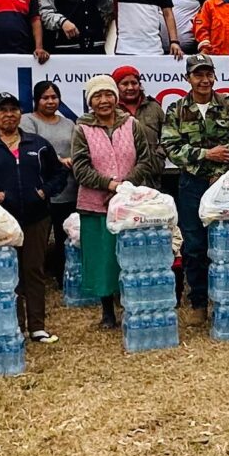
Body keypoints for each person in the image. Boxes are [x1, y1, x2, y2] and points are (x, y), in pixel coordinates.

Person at [0, 91, 71, 343]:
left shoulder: (38, 144)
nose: (8, 115)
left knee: (33, 270)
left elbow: (59, 175)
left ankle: (37, 326)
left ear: (20, 114)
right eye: (2, 110)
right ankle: (15, 326)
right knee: (8, 275)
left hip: (36, 217)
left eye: (13, 110)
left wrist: (44, 192)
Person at [70, 74, 166, 329]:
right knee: (102, 258)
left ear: (116, 97)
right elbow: (80, 167)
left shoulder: (131, 124)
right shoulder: (82, 128)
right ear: (90, 101)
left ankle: (131, 305)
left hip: (130, 204)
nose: (104, 101)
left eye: (108, 95)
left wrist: (124, 187)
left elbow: (146, 160)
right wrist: (109, 185)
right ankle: (107, 311)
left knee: (130, 255)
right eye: (98, 96)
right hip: (96, 204)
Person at [162, 55, 229, 313]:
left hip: (224, 185)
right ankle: (198, 302)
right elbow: (171, 147)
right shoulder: (176, 109)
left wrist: (218, 173)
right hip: (192, 185)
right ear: (188, 78)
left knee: (227, 243)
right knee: (195, 245)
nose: (204, 80)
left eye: (208, 74)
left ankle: (228, 301)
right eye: (198, 75)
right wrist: (205, 156)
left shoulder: (228, 104)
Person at [25, 80, 82, 291]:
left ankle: (63, 277)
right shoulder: (27, 121)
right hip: (39, 189)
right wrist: (58, 159)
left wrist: (74, 160)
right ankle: (32, 280)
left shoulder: (68, 123)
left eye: (54, 97)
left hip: (67, 188)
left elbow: (78, 148)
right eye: (45, 97)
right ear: (36, 100)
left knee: (64, 236)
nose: (50, 101)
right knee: (36, 239)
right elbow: (31, 147)